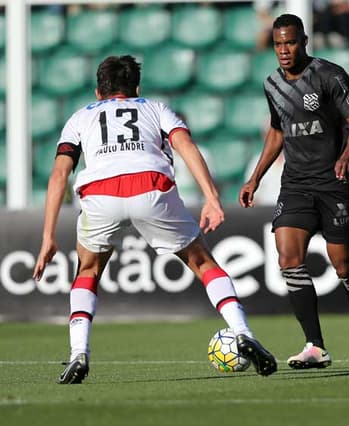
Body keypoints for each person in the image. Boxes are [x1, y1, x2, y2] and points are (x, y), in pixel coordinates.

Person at [32, 55, 277, 384]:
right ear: (136, 87)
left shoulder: (79, 118)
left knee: (88, 269)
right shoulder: (156, 108)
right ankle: (242, 331)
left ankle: (79, 353)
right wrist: (212, 198)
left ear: (97, 91)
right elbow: (186, 146)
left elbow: (59, 174)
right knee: (203, 262)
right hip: (152, 186)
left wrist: (48, 236)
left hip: (100, 195)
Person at [239, 13, 349, 369]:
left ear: (304, 41)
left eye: (291, 42)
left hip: (335, 182)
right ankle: (315, 345)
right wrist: (255, 178)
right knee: (288, 257)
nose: (284, 50)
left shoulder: (329, 75)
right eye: (278, 44)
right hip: (297, 183)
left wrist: (348, 154)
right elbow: (277, 132)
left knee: (344, 266)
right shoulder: (272, 85)